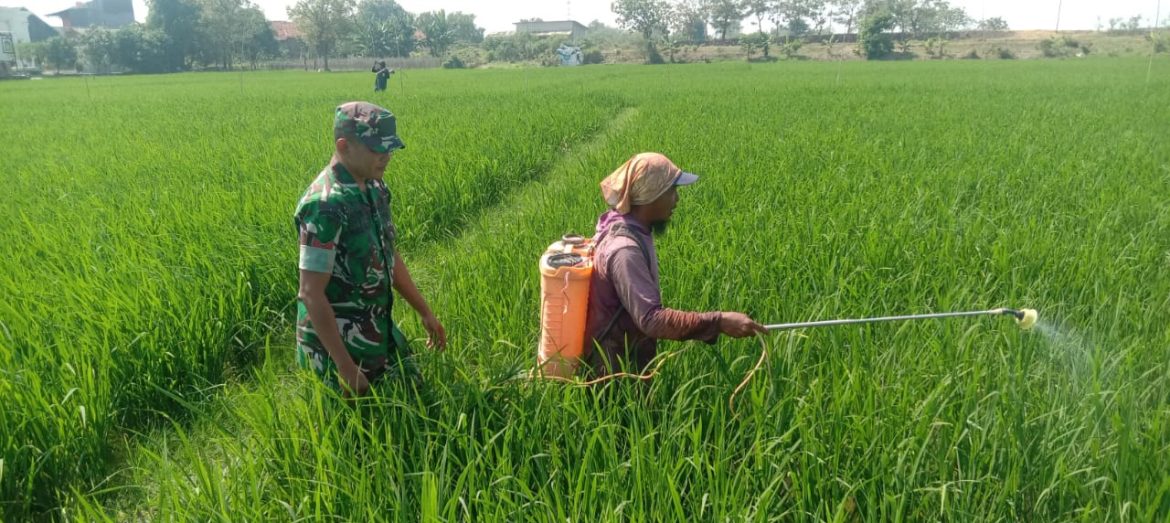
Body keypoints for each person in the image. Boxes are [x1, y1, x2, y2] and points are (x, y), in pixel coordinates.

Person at [294, 101, 446, 397]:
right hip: (336, 345)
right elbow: (310, 294)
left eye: (390, 149)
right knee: (354, 431)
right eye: (378, 149)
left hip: (377, 327)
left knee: (416, 398)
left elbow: (388, 254)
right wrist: (346, 367)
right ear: (344, 145)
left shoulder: (375, 188)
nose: (387, 157)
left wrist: (424, 311)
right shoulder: (325, 205)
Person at [584, 152, 765, 377]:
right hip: (612, 374)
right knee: (626, 413)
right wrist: (719, 322)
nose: (676, 199)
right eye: (672, 191)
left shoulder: (629, 226)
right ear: (651, 195)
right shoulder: (625, 250)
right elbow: (651, 319)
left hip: (624, 357)